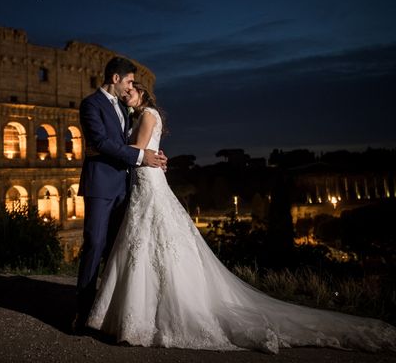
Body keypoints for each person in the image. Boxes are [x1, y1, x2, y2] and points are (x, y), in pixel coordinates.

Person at [87, 82, 396, 353]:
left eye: (130, 91)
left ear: (142, 92)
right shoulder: (140, 115)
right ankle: (140, 311)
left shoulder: (146, 115)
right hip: (145, 182)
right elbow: (143, 152)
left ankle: (150, 312)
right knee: (147, 244)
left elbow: (138, 149)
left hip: (149, 183)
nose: (126, 95)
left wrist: (117, 151)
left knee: (152, 242)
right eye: (125, 91)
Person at [74, 57, 167, 333]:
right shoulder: (91, 104)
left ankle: (110, 312)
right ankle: (83, 312)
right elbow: (100, 142)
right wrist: (142, 155)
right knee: (94, 245)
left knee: (118, 250)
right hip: (101, 187)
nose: (130, 88)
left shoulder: (126, 110)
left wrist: (153, 155)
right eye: (128, 81)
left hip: (126, 188)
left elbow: (131, 142)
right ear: (115, 78)